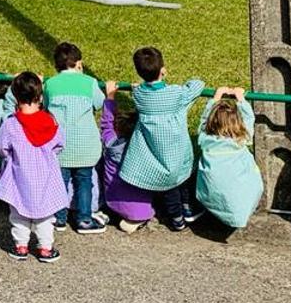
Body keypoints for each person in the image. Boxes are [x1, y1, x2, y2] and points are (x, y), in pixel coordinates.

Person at [119, 46, 205, 230]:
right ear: (163, 70)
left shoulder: (139, 95)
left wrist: (137, 86)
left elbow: (139, 90)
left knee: (168, 185)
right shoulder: (176, 93)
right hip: (177, 149)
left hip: (156, 152)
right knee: (178, 182)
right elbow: (198, 85)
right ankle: (181, 215)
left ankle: (177, 218)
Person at [0, 71, 69, 264]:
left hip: (19, 177)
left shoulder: (11, 124)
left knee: (18, 214)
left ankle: (21, 246)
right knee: (45, 216)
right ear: (40, 97)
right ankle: (45, 248)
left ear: (16, 97)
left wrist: (10, 156)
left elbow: (0, 146)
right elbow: (60, 143)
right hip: (46, 177)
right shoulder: (50, 122)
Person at [44, 41, 106, 233]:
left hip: (60, 144)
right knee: (85, 180)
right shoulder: (89, 82)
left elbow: (46, 107)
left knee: (60, 181)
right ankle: (84, 219)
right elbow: (99, 102)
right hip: (85, 144)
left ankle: (59, 218)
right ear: (79, 63)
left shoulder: (50, 84)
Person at [195, 87, 263, 229]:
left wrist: (216, 97)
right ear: (238, 122)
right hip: (239, 185)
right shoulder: (242, 138)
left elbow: (203, 120)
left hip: (212, 187)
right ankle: (238, 212)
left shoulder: (205, 138)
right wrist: (241, 99)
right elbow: (250, 118)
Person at [99, 82, 154, 233]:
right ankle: (134, 220)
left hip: (112, 203)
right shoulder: (144, 149)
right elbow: (144, 122)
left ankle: (123, 216)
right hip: (141, 209)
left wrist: (110, 96)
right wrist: (138, 95)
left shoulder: (111, 144)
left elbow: (106, 124)